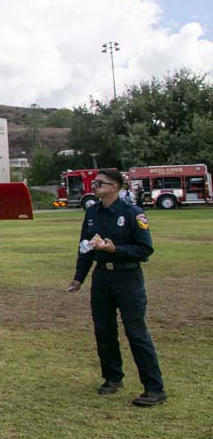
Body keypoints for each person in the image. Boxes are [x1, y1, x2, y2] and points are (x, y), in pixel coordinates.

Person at [67, 169, 166, 407]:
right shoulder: (92, 212)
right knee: (104, 329)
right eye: (94, 182)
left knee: (136, 332)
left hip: (127, 277)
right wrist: (79, 278)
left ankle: (154, 388)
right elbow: (85, 247)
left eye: (100, 183)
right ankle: (112, 377)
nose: (95, 186)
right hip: (102, 277)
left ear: (114, 187)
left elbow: (144, 250)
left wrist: (115, 250)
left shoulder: (133, 213)